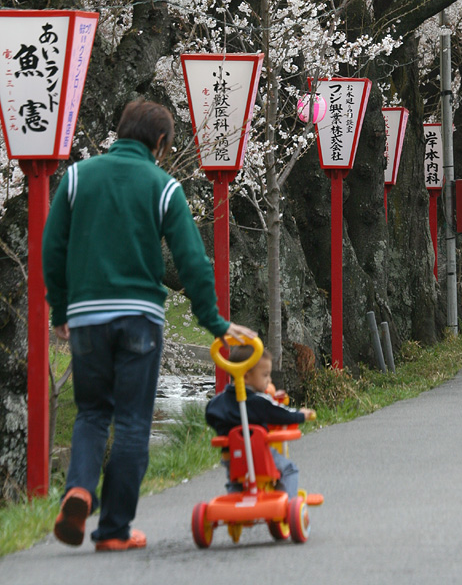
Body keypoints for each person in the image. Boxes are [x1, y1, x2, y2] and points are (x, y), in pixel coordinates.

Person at [42, 99, 256, 552]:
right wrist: (214, 322)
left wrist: (61, 310)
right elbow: (192, 263)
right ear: (160, 143)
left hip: (87, 320)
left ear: (119, 130)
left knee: (93, 414)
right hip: (140, 317)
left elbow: (52, 246)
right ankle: (114, 530)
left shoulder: (79, 177)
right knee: (135, 421)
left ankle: (79, 488)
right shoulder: (164, 187)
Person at [205, 346, 316, 497]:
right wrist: (301, 415)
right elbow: (282, 414)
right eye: (265, 375)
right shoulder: (258, 401)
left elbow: (210, 416)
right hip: (257, 454)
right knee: (289, 470)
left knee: (236, 479)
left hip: (232, 456)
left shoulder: (218, 401)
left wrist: (224, 428)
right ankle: (288, 503)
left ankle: (236, 501)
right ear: (245, 377)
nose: (269, 380)